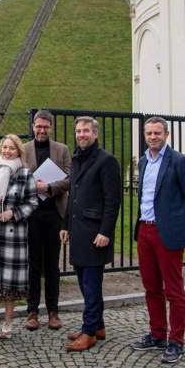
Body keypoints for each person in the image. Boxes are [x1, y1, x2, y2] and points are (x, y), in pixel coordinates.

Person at [129, 116, 185, 364]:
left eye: (157, 133)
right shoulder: (143, 161)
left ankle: (176, 341)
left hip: (168, 233)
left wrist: (184, 231)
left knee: (174, 289)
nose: (152, 137)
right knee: (151, 287)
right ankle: (158, 333)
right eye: (148, 133)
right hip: (145, 230)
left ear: (166, 135)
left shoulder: (179, 161)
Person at [59, 116, 121, 352]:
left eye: (86, 131)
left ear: (95, 134)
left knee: (91, 284)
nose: (81, 135)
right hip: (78, 231)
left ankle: (89, 333)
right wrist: (65, 225)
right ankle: (98, 326)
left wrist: (105, 231)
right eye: (78, 131)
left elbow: (112, 200)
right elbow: (72, 197)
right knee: (85, 283)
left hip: (95, 233)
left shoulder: (106, 161)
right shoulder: (76, 159)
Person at [0, 134, 39, 339]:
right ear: (0, 148)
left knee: (10, 281)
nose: (7, 151)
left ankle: (8, 322)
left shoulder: (25, 174)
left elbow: (32, 202)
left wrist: (14, 213)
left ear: (18, 151)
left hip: (13, 234)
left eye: (12, 148)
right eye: (4, 147)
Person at [24, 110, 71, 331]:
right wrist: (34, 187)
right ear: (33, 127)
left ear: (51, 128)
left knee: (52, 265)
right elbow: (17, 178)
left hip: (54, 212)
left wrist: (49, 187)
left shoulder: (61, 149)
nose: (42, 130)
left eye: (46, 127)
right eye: (38, 126)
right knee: (32, 265)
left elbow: (71, 178)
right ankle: (32, 311)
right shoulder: (23, 150)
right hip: (31, 213)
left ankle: (53, 311)